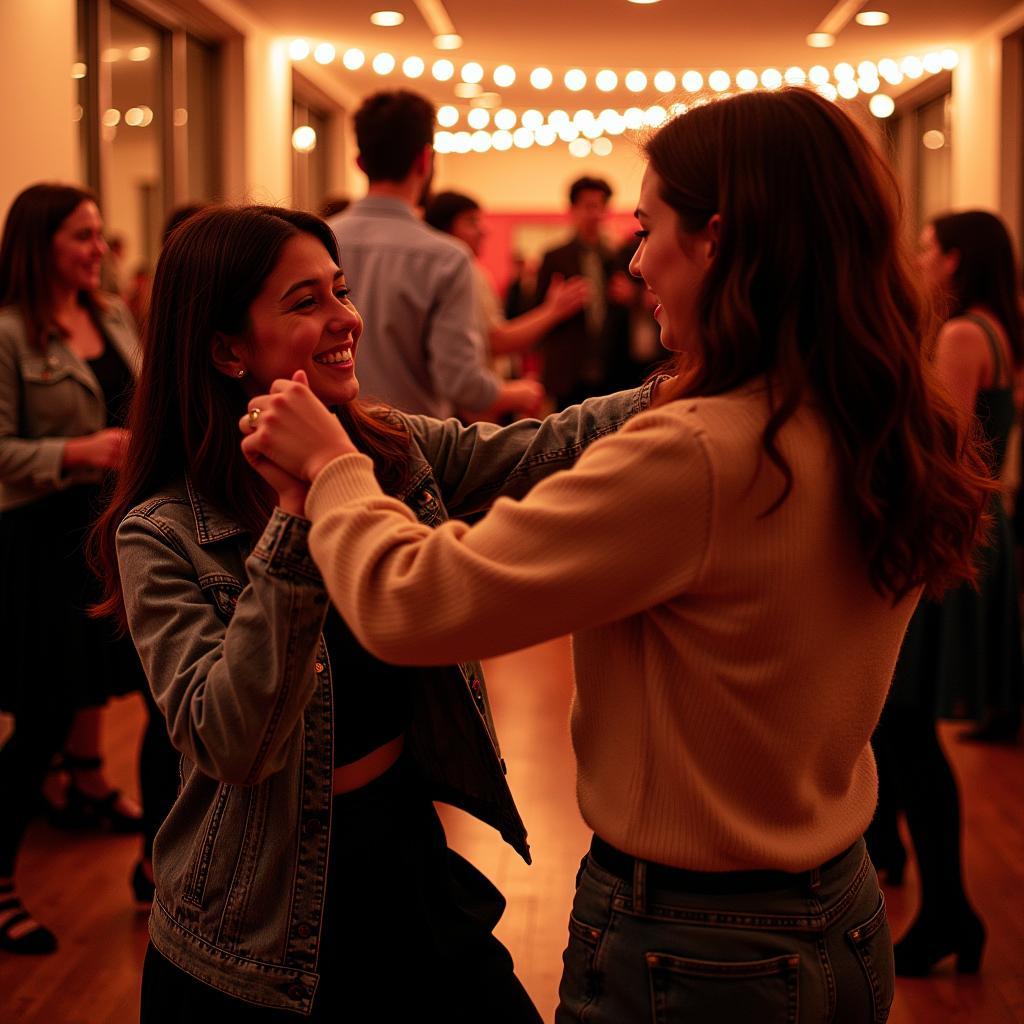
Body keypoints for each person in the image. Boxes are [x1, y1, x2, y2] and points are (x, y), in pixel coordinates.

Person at [241, 88, 995, 1023]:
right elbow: (514, 450)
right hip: (837, 913)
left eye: (649, 229)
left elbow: (414, 602)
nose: (636, 261)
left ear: (717, 239)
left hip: (699, 948)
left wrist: (334, 468)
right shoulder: (866, 415)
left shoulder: (702, 453)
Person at [89, 203, 657, 1021]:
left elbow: (546, 448)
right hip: (252, 926)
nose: (346, 319)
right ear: (224, 348)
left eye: (341, 290)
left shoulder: (385, 447)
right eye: (306, 301)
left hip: (401, 858)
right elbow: (232, 740)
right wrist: (296, 513)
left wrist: (695, 385)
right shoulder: (163, 531)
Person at [867, 210, 1023, 976]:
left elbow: (941, 445)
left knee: (906, 726)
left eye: (928, 248)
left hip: (947, 538)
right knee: (903, 725)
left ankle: (948, 909)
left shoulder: (963, 336)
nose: (920, 258)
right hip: (972, 531)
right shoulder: (995, 329)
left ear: (956, 260)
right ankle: (909, 873)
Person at [0, 183, 147, 954]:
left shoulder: (113, 316)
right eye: (82, 237)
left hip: (110, 535)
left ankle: (155, 862)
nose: (99, 250)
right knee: (45, 715)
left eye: (98, 234)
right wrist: (80, 451)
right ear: (40, 245)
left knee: (153, 696)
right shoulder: (9, 335)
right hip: (40, 545)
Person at [328, 90, 543, 421]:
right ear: (425, 161)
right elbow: (460, 381)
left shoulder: (318, 240)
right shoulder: (446, 258)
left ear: (359, 163)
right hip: (412, 443)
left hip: (330, 434)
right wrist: (515, 392)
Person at [424, 190, 590, 360]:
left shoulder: (443, 269)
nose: (483, 231)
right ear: (444, 230)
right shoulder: (465, 271)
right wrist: (553, 311)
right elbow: (496, 341)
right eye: (471, 222)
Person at [534, 176, 618, 408]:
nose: (594, 214)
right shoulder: (554, 257)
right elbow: (534, 311)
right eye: (588, 206)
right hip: (567, 369)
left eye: (600, 206)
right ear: (573, 209)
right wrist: (555, 307)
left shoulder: (615, 256)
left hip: (611, 367)